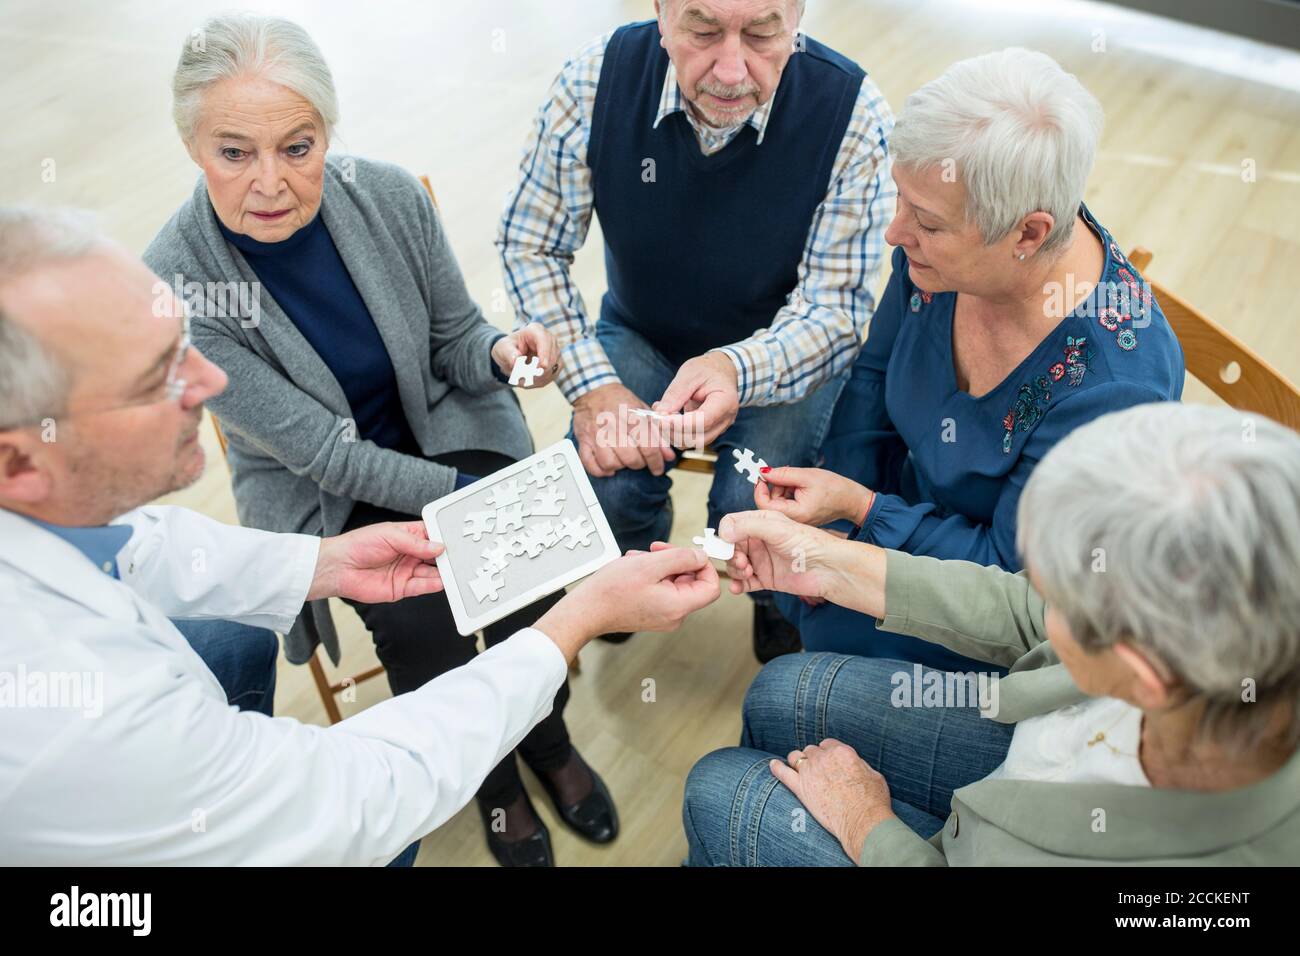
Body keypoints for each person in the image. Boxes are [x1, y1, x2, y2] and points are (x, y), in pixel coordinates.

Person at [0, 205, 721, 865]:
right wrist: (582, 617)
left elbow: (136, 545)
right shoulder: (89, 726)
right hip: (262, 794)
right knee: (418, 663)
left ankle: (545, 739)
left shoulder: (52, 504)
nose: (210, 380)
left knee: (495, 591)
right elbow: (355, 800)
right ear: (18, 460)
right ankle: (495, 788)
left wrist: (324, 564)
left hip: (425, 463)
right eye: (157, 376)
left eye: (182, 346)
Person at [143, 13, 610, 865]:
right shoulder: (181, 280)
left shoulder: (388, 195)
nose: (271, 182)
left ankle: (546, 740)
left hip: (446, 428)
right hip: (327, 489)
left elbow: (454, 339)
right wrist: (470, 506)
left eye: (298, 145)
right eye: (233, 152)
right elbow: (323, 455)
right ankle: (491, 782)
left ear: (328, 131)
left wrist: (504, 354)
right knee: (426, 623)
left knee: (524, 587)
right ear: (191, 146)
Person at [684, 402, 1300, 865]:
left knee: (718, 791)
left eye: (1057, 594)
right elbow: (1018, 608)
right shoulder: (1226, 630)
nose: (1039, 597)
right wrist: (824, 560)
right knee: (783, 690)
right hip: (1019, 766)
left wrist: (867, 823)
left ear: (1142, 675)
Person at [759, 48, 1184, 669]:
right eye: (899, 199)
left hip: (984, 622)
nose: (895, 235)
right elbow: (872, 381)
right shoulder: (939, 254)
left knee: (799, 677)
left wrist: (861, 516)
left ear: (1029, 234)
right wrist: (838, 526)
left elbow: (1008, 585)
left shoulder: (1112, 390)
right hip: (893, 531)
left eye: (926, 223)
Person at [497, 0, 896, 661]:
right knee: (612, 482)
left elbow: (836, 310)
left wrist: (738, 369)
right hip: (643, 331)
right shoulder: (591, 82)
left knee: (758, 501)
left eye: (763, 33)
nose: (732, 69)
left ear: (797, 17)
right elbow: (530, 245)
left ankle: (778, 600)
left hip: (783, 351)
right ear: (661, 14)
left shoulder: (853, 114)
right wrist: (595, 389)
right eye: (703, 30)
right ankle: (629, 563)